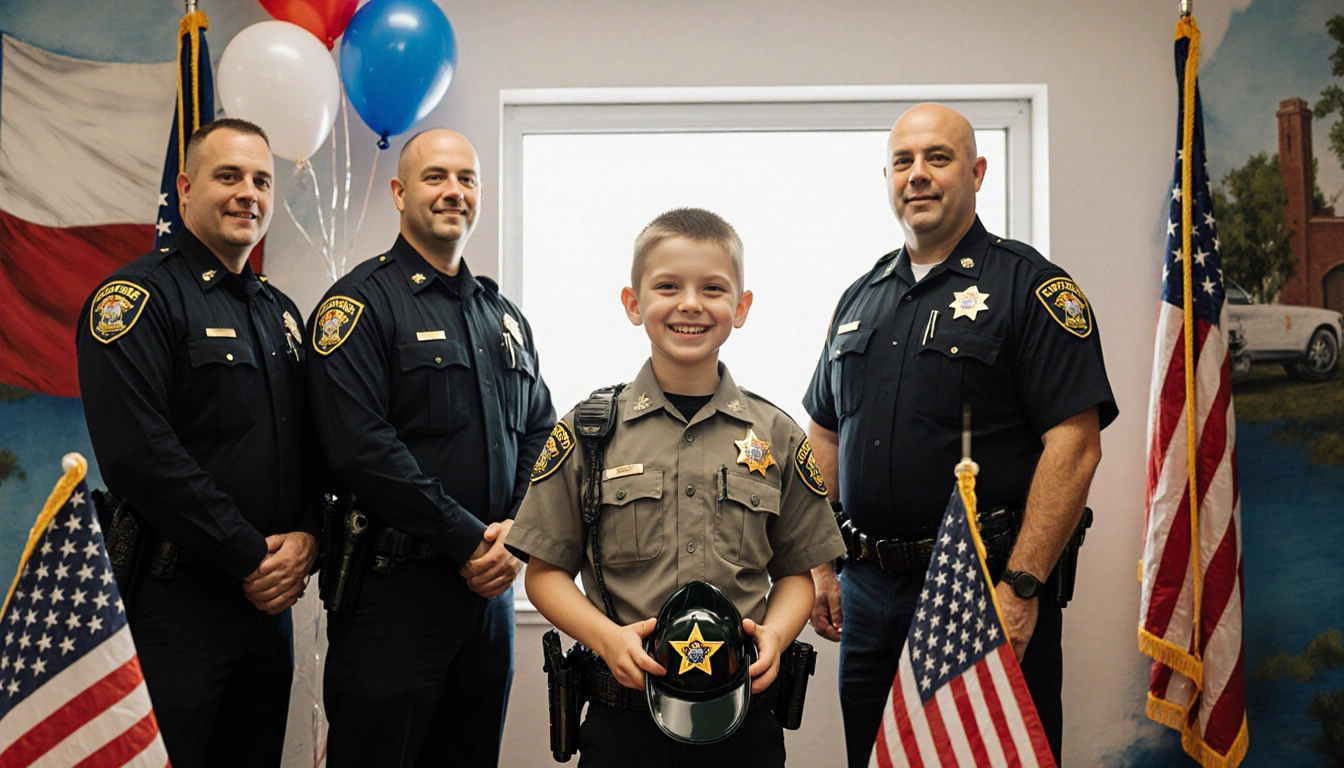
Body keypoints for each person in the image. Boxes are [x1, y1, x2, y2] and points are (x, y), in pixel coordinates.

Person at [803, 103, 1118, 767]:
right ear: (887, 178)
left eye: (937, 159)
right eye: (902, 162)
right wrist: (820, 563)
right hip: (866, 594)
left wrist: (1023, 588)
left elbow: (1077, 446)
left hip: (979, 589)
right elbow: (824, 436)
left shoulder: (1030, 288)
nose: (917, 175)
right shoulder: (859, 299)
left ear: (976, 172)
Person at [510, 208, 846, 767]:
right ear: (633, 303)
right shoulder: (588, 434)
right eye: (668, 286)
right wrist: (605, 638)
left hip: (743, 719)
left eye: (713, 288)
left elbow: (796, 573)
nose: (690, 303)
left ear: (740, 308)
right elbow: (544, 572)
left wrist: (777, 637)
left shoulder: (778, 435)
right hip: (624, 720)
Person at [306, 128, 556, 767]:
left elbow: (541, 434)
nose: (454, 192)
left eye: (466, 179)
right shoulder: (359, 305)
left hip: (487, 598)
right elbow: (361, 450)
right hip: (394, 598)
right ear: (399, 191)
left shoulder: (502, 317)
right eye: (436, 177)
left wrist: (515, 537)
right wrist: (471, 539)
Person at [76, 118, 318, 768]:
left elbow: (309, 446)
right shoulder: (135, 300)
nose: (249, 193)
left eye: (262, 180)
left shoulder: (280, 313)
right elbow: (139, 454)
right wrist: (249, 556)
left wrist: (307, 536)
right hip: (174, 604)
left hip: (264, 609)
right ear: (185, 188)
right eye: (229, 176)